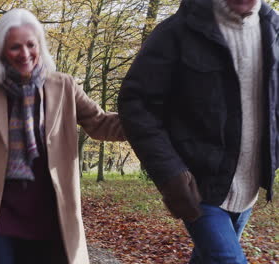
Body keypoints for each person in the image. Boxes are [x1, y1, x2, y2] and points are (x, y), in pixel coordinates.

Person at [0, 8, 126, 264]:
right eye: (15, 47)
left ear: (40, 46)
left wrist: (147, 124)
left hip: (51, 216)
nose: (25, 54)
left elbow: (101, 124)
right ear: (2, 51)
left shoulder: (64, 87)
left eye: (30, 45)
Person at [118, 0, 278, 263]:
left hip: (248, 190)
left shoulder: (274, 30)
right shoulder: (177, 32)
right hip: (198, 187)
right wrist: (169, 171)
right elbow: (136, 105)